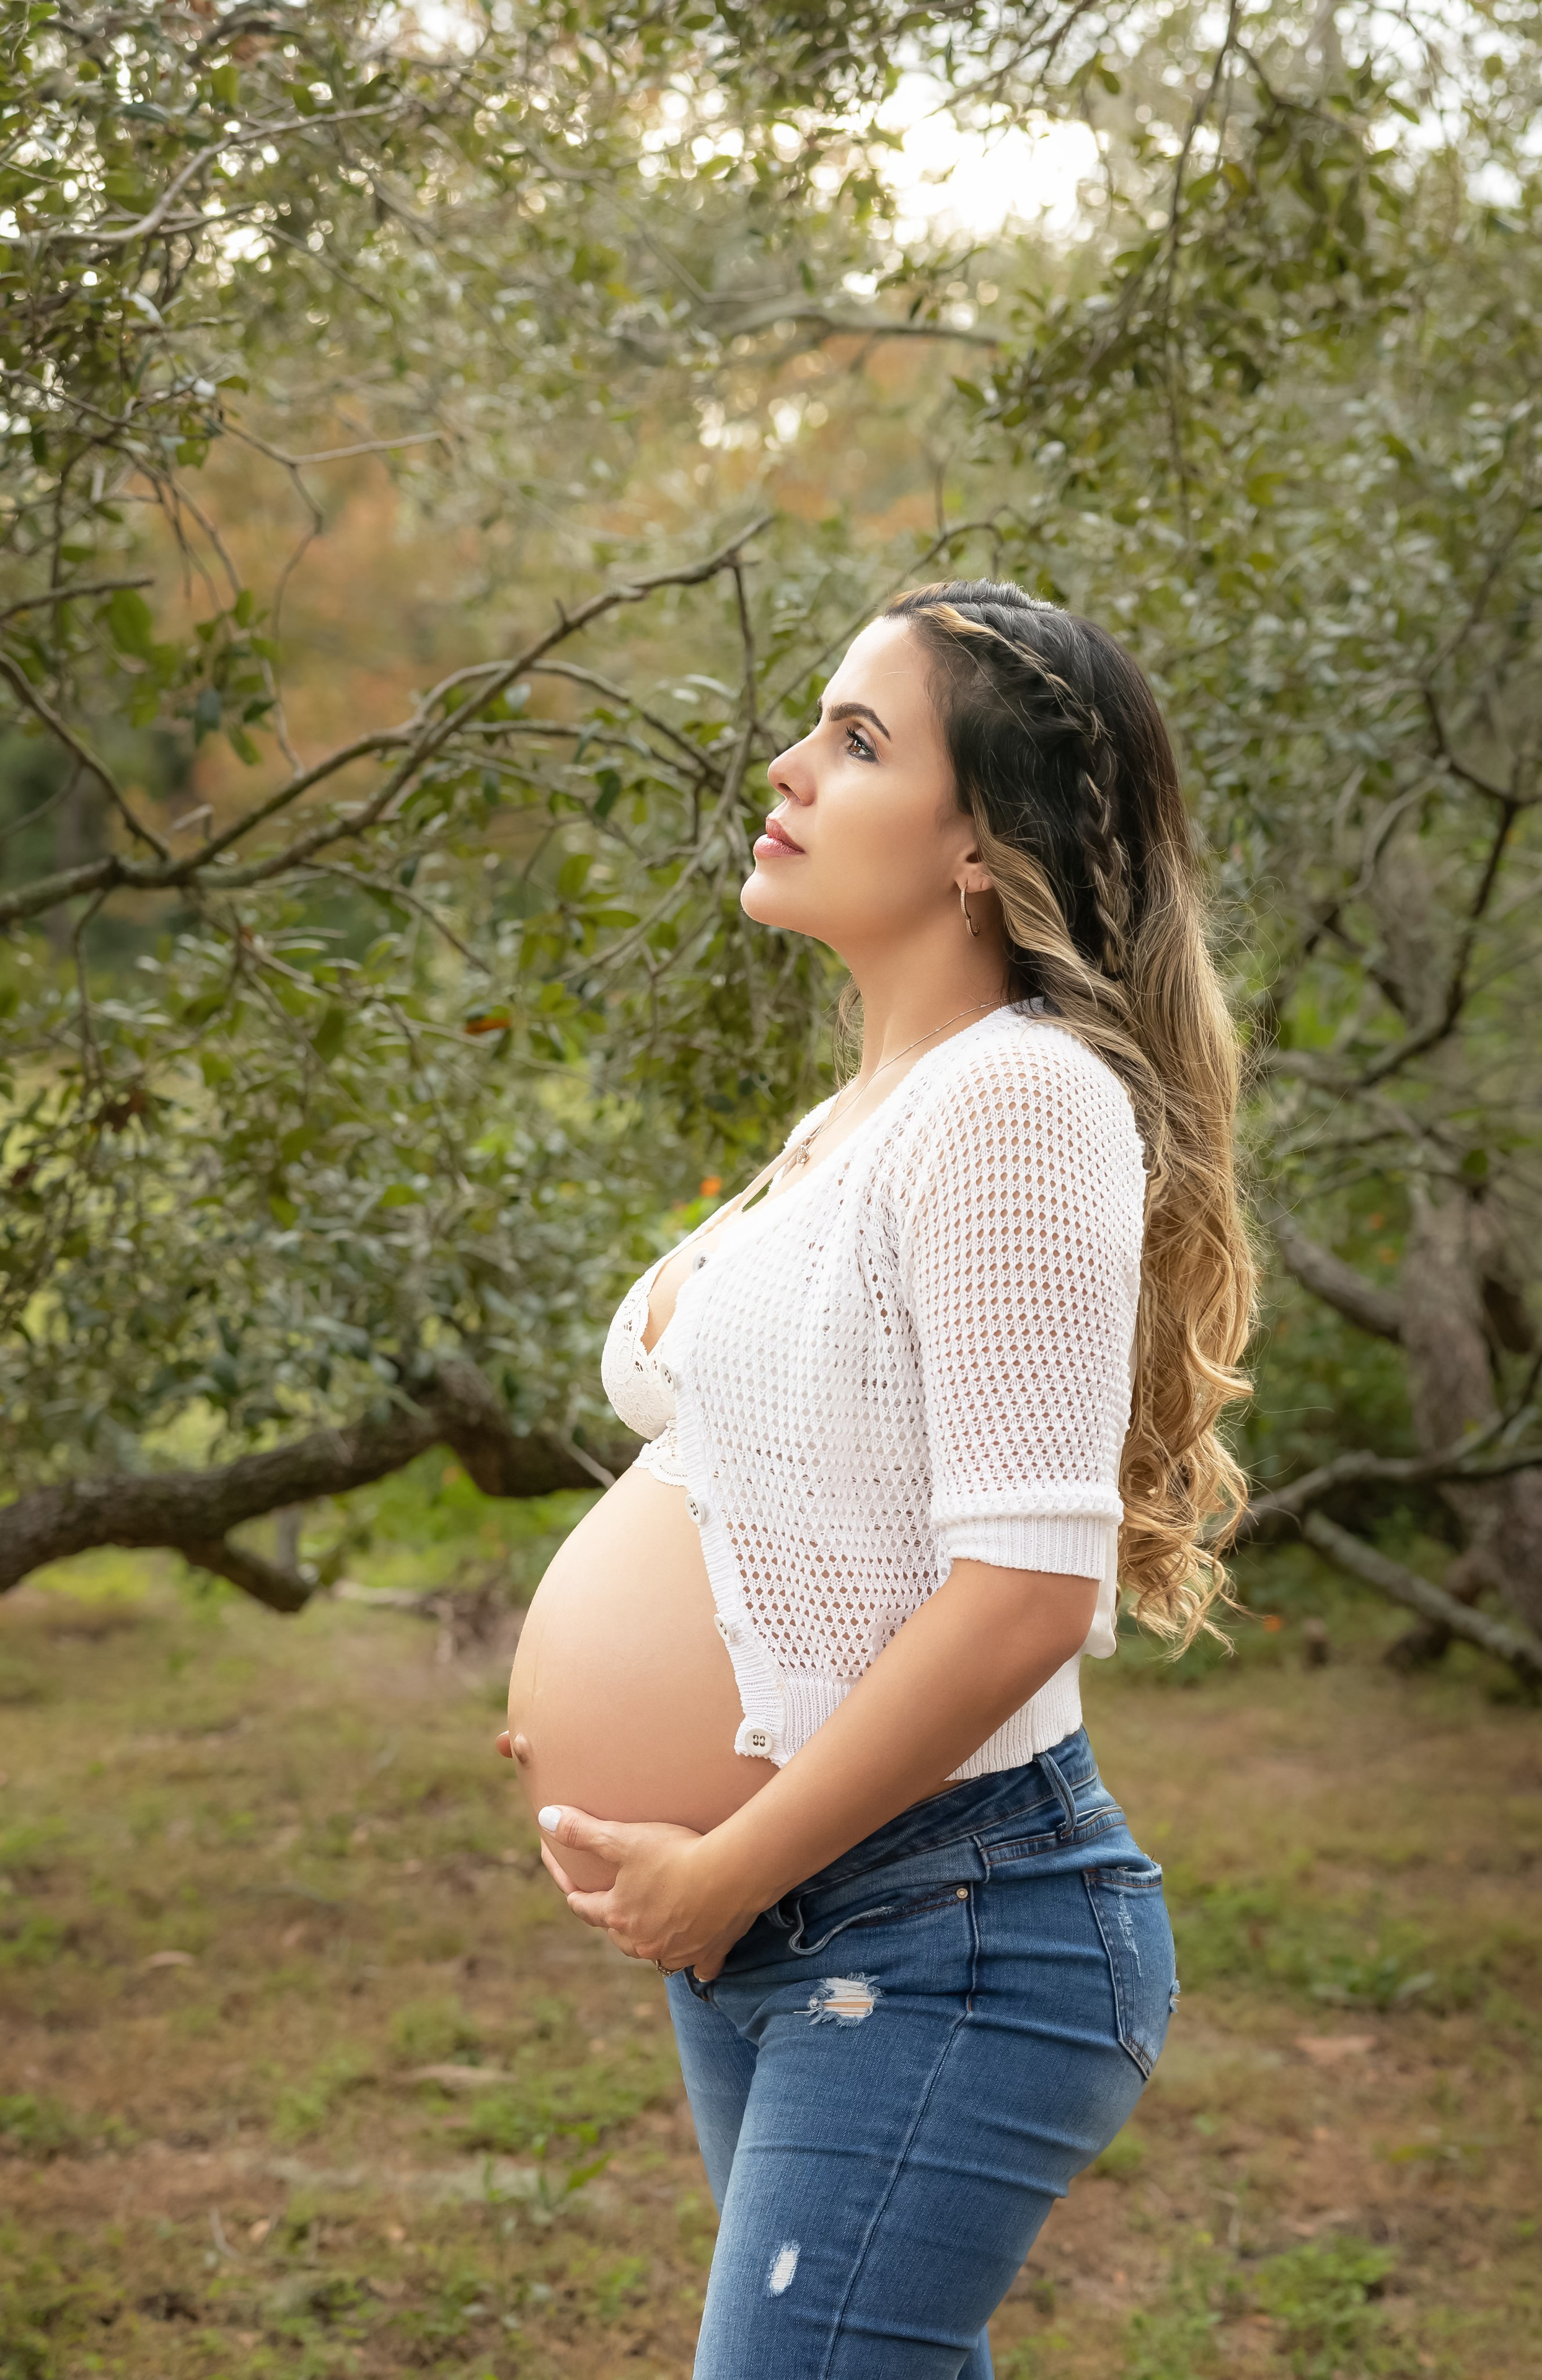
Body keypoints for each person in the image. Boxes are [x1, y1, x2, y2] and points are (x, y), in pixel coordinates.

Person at [497, 579, 1255, 2377]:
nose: (788, 765)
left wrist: (726, 1869)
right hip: (804, 1909)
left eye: (857, 741)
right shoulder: (863, 1115)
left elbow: (1023, 1602)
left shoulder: (1016, 1100)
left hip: (934, 1921)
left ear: (982, 844)